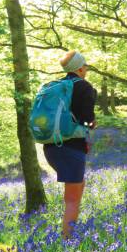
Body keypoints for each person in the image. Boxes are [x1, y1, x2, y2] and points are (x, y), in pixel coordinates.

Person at [43, 50, 97, 239]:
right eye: (86, 66)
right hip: (71, 148)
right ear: (80, 68)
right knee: (72, 200)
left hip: (50, 147)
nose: (87, 69)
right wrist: (91, 124)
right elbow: (88, 120)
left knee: (78, 186)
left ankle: (69, 234)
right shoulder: (84, 87)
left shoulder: (54, 86)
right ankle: (68, 244)